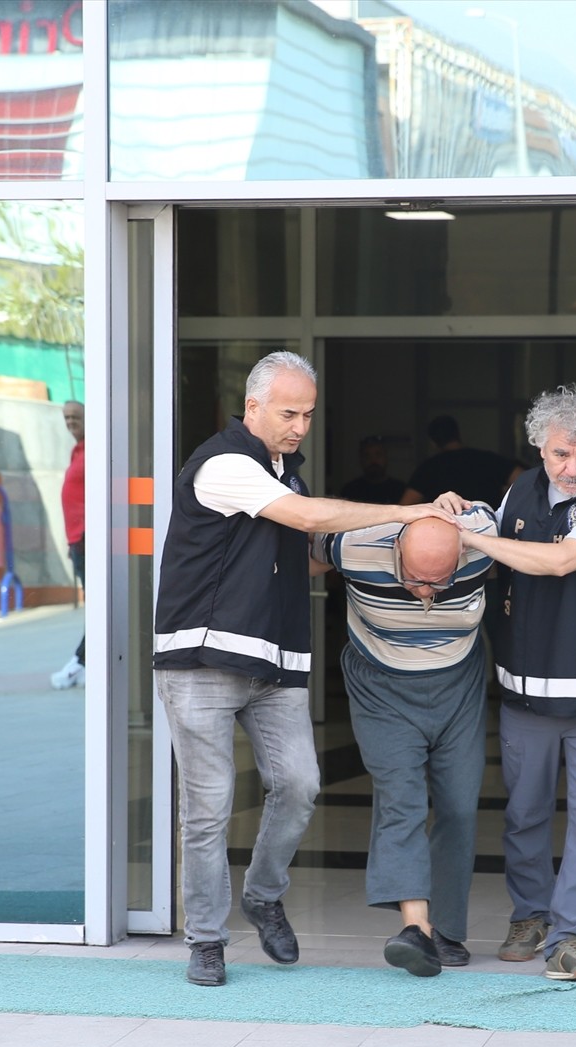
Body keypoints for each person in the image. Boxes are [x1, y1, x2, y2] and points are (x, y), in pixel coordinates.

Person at [153, 350, 452, 987]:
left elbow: (308, 554)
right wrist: (407, 511)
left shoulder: (286, 474)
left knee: (300, 787)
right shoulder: (226, 463)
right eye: (288, 413)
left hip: (275, 660)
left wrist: (410, 554)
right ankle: (206, 941)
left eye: (308, 415)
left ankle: (263, 894)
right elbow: (310, 519)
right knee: (207, 811)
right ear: (252, 406)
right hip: (201, 662)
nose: (299, 425)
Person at [451, 385, 576, 982]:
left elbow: (556, 561)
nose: (574, 467)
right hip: (527, 687)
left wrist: (472, 538)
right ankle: (531, 915)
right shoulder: (518, 492)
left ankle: (571, 938)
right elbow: (492, 544)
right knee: (525, 813)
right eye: (562, 453)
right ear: (540, 447)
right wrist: (455, 514)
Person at [312, 507, 497, 977]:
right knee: (402, 799)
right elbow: (299, 554)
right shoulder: (354, 545)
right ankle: (417, 929)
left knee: (459, 804)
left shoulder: (482, 536)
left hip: (458, 680)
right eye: (416, 581)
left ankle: (449, 928)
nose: (426, 595)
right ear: (396, 549)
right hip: (380, 684)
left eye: (440, 583)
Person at [401, 414, 524, 510]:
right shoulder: (487, 459)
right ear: (458, 435)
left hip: (446, 531)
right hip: (488, 529)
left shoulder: (428, 468)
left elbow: (406, 506)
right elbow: (523, 479)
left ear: (432, 443)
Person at [51, 400, 86, 690]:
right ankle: (85, 663)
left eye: (75, 416)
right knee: (96, 608)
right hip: (77, 541)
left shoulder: (96, 448)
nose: (70, 422)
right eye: (66, 418)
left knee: (100, 608)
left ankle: (79, 663)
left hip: (88, 542)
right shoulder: (78, 451)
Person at [340, 435, 406, 505]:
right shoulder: (350, 490)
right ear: (361, 459)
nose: (373, 461)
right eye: (367, 456)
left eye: (378, 454)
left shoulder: (400, 490)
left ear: (386, 457)